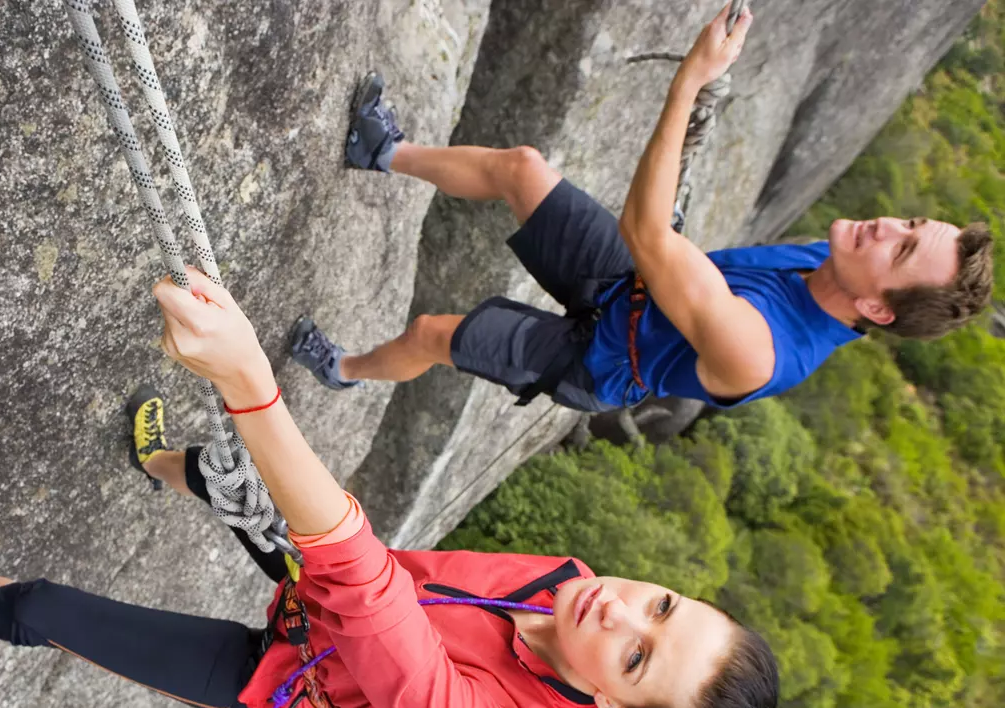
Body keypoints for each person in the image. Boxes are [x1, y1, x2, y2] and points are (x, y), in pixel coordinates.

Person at [0, 268, 779, 708]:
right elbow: (399, 569)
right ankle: (158, 464)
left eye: (637, 659)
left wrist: (254, 385)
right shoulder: (566, 578)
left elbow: (379, 603)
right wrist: (299, 537)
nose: (620, 614)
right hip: (324, 595)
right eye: (662, 606)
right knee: (223, 476)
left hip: (284, 678)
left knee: (43, 608)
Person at [291, 5, 994, 412]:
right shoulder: (829, 260)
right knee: (523, 169)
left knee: (432, 333)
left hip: (599, 362)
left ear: (877, 309)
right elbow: (666, 255)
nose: (887, 227)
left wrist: (690, 81)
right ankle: (381, 151)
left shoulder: (763, 352)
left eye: (901, 249)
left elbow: (647, 232)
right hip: (635, 288)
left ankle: (340, 371)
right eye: (909, 224)